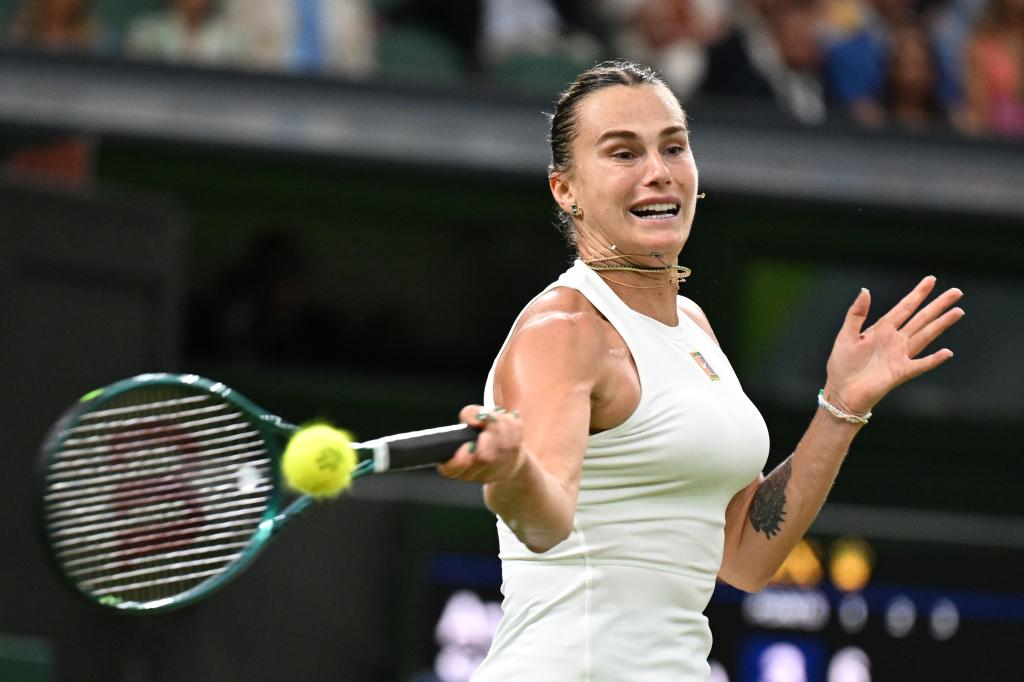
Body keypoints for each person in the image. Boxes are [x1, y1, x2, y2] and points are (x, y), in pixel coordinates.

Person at [439, 60, 964, 681]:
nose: (658, 172)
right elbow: (545, 521)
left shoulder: (692, 326)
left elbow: (746, 556)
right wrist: (511, 473)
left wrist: (841, 406)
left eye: (673, 147)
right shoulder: (562, 332)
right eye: (623, 153)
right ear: (565, 189)